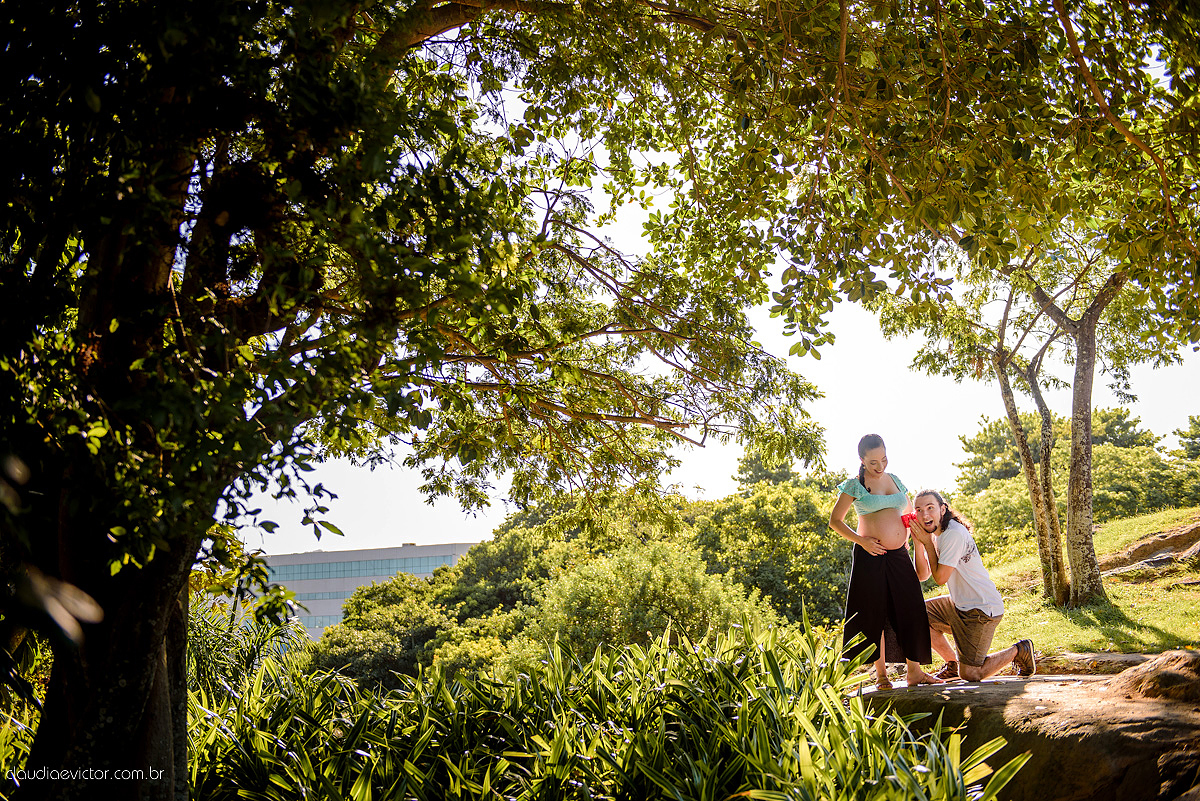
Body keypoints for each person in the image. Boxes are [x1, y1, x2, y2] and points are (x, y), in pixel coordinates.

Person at [829, 434, 941, 688]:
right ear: (862, 460)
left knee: (911, 607)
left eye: (884, 459)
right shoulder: (854, 485)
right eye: (873, 462)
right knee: (873, 613)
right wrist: (862, 541)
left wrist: (910, 539)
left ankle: (915, 672)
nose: (880, 466)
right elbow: (835, 521)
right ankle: (881, 675)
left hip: (898, 554)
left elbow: (908, 513)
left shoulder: (896, 480)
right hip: (870, 555)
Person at [908, 489, 1037, 680]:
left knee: (970, 673)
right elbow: (922, 575)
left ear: (942, 509)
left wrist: (927, 543)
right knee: (916, 615)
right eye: (918, 510)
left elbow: (940, 578)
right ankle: (952, 663)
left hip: (981, 610)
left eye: (930, 508)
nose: (924, 515)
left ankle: (1020, 650)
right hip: (959, 604)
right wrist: (919, 543)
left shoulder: (953, 534)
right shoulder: (935, 533)